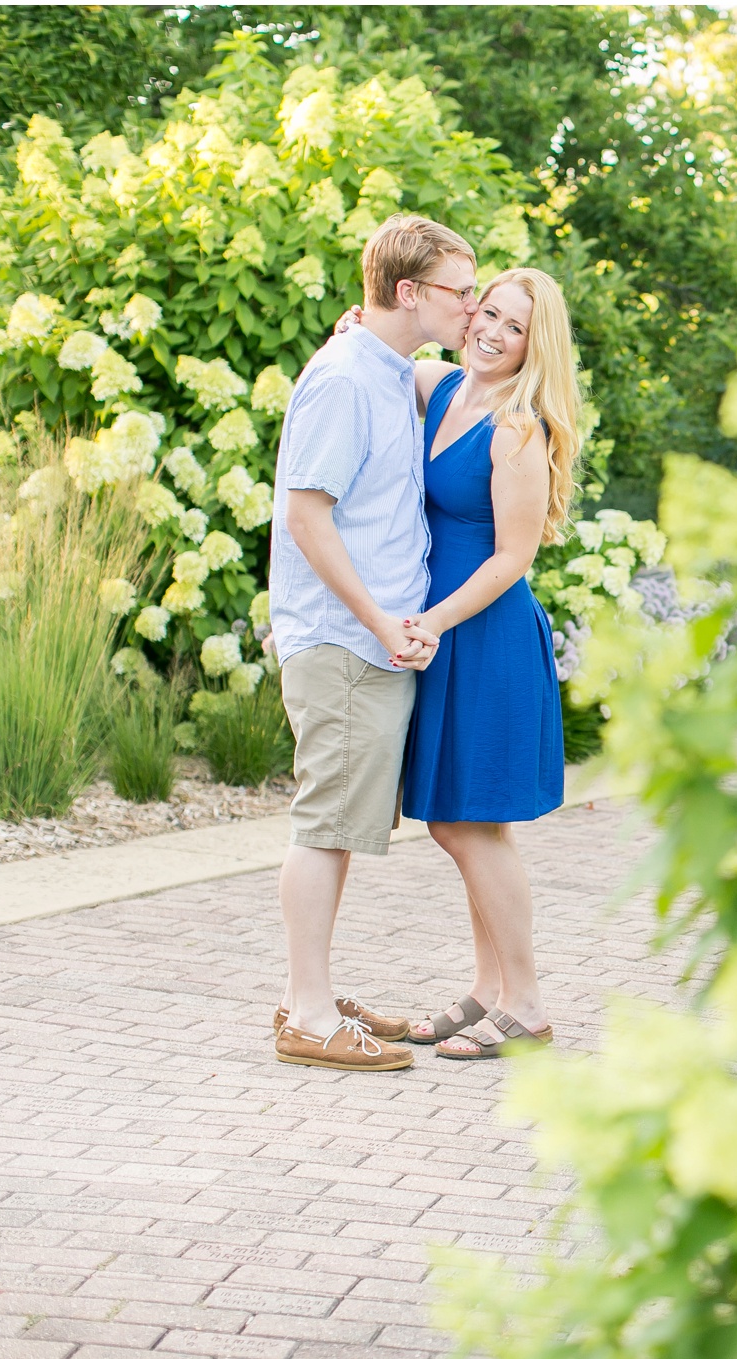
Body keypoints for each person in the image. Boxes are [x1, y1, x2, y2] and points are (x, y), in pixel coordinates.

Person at [266, 214, 480, 1072]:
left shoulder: (386, 367)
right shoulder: (349, 379)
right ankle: (311, 1015)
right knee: (324, 824)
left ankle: (309, 993)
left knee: (341, 823)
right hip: (347, 640)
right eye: (460, 292)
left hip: (371, 641)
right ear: (408, 292)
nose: (471, 306)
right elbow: (307, 516)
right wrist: (378, 619)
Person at [361, 267, 585, 1060]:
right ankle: (489, 990)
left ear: (535, 345)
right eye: (487, 311)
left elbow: (512, 558)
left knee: (467, 823)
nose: (491, 331)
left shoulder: (520, 427)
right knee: (461, 822)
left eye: (513, 326)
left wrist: (430, 621)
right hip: (442, 632)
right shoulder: (445, 387)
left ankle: (526, 1004)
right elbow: (376, 348)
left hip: (481, 636)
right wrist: (362, 322)